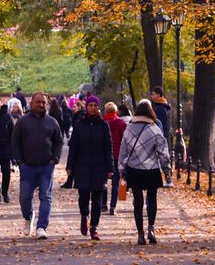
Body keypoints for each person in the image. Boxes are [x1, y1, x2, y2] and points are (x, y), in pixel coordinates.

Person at [11, 91, 63, 239]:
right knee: (25, 197)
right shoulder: (23, 121)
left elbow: (59, 141)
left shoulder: (52, 122)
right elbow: (15, 141)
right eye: (38, 102)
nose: (41, 105)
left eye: (43, 102)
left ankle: (42, 227)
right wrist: (18, 161)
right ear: (31, 103)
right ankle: (28, 217)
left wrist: (55, 158)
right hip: (27, 166)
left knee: (45, 196)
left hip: (46, 166)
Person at [118, 99, 170, 246]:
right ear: (150, 112)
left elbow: (123, 151)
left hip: (134, 169)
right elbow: (163, 153)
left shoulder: (129, 129)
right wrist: (166, 170)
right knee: (152, 199)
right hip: (152, 169)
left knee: (138, 202)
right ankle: (151, 228)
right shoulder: (155, 129)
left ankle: (140, 233)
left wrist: (121, 169)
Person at [67, 96, 113, 240]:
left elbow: (108, 148)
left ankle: (94, 227)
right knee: (84, 197)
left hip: (99, 166)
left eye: (95, 105)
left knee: (98, 200)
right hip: (82, 166)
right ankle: (84, 215)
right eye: (90, 105)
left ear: (98, 108)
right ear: (86, 107)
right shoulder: (80, 124)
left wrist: (110, 167)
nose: (93, 107)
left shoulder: (103, 125)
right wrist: (70, 166)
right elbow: (73, 146)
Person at [102, 102, 127, 215]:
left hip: (104, 156)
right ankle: (113, 206)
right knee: (115, 182)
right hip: (117, 155)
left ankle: (103, 204)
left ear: (106, 111)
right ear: (116, 111)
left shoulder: (102, 123)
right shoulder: (121, 123)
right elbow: (125, 140)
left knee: (103, 181)